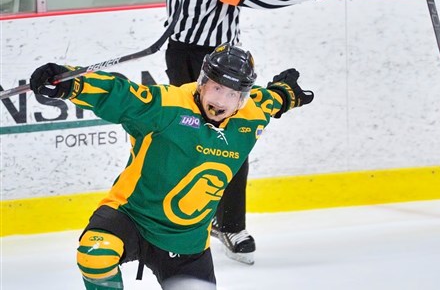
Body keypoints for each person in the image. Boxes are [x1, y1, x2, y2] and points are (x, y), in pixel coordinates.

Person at [29, 43, 314, 289]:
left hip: (187, 241)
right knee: (95, 255)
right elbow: (121, 95)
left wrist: (288, 93)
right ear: (202, 82)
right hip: (131, 216)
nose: (220, 100)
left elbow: (274, 99)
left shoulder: (251, 115)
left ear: (242, 97)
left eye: (231, 94)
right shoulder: (167, 105)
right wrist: (71, 84)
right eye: (216, 88)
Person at [164, 0, 358, 265]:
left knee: (191, 140)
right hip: (210, 64)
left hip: (189, 54)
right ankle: (225, 224)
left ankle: (192, 219)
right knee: (231, 139)